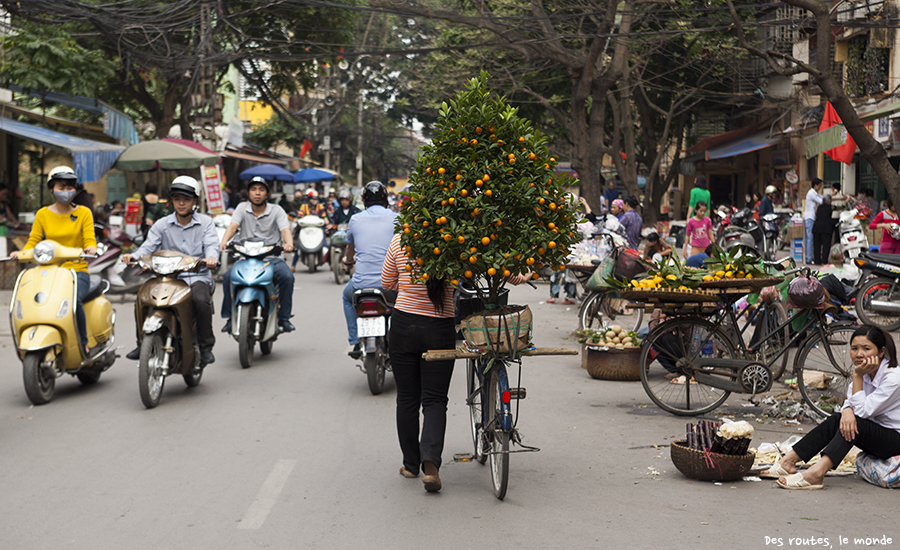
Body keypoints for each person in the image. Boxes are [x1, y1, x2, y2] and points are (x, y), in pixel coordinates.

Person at [762, 326, 900, 490]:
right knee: (839, 418)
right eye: (854, 348)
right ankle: (788, 462)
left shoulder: (893, 378)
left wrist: (856, 377)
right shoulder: (866, 372)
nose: (859, 354)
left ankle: (816, 473)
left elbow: (863, 412)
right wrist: (847, 410)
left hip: (895, 440)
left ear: (881, 352)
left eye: (866, 348)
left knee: (854, 423)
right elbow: (850, 402)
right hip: (875, 433)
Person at [381, 232, 457, 492]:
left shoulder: (400, 240)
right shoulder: (454, 237)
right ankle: (431, 466)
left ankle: (411, 465)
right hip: (440, 327)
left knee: (407, 398)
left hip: (403, 326)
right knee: (435, 399)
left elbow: (387, 282)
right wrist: (521, 275)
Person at [122, 176, 219, 366]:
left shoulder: (206, 223)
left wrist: (211, 258)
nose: (181, 203)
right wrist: (134, 256)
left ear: (195, 201)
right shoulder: (161, 224)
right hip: (167, 279)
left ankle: (206, 346)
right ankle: (141, 343)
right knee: (142, 297)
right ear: (171, 200)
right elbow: (147, 248)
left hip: (197, 277)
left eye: (186, 199)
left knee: (200, 300)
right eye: (177, 198)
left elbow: (212, 245)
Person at [11, 166, 96, 353]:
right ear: (51, 188)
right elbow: (33, 241)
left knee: (73, 301)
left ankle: (83, 342)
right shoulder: (42, 214)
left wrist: (90, 248)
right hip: (48, 272)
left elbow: (89, 239)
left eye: (70, 187)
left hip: (76, 271)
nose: (66, 191)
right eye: (61, 187)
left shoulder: (83, 213)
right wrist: (22, 254)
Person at [219, 176, 296, 334]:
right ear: (248, 193)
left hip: (271, 259)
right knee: (227, 277)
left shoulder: (277, 210)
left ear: (267, 194)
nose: (257, 193)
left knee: (287, 277)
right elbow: (233, 226)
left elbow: (285, 230)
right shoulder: (241, 208)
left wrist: (288, 243)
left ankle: (284, 318)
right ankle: (229, 317)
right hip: (245, 258)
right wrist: (224, 241)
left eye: (261, 190)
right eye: (253, 189)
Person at [342, 181, 398, 358]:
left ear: (364, 201)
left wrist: (348, 260)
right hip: (391, 284)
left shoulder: (355, 219)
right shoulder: (397, 218)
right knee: (400, 307)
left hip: (361, 285)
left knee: (346, 297)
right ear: (386, 200)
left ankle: (355, 341)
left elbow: (350, 249)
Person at [292, 189, 328, 271]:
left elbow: (324, 216)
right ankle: (293, 265)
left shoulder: (320, 206)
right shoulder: (304, 206)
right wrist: (297, 219)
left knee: (325, 245)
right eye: (312, 199)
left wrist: (326, 220)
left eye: (316, 199)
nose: (314, 201)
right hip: (306, 229)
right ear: (309, 199)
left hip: (317, 229)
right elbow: (299, 215)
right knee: (298, 247)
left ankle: (331, 264)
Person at [803, 178, 825, 264]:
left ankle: (809, 257)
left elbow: (821, 197)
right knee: (810, 238)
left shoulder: (814, 193)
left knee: (810, 238)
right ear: (816, 185)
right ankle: (809, 258)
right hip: (810, 218)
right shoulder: (811, 193)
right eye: (819, 185)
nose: (820, 187)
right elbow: (821, 201)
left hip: (811, 217)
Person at [812, 195, 836, 265]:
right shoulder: (829, 208)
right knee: (826, 245)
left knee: (817, 246)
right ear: (829, 201)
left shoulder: (819, 207)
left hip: (817, 228)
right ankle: (824, 261)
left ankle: (817, 261)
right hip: (825, 228)